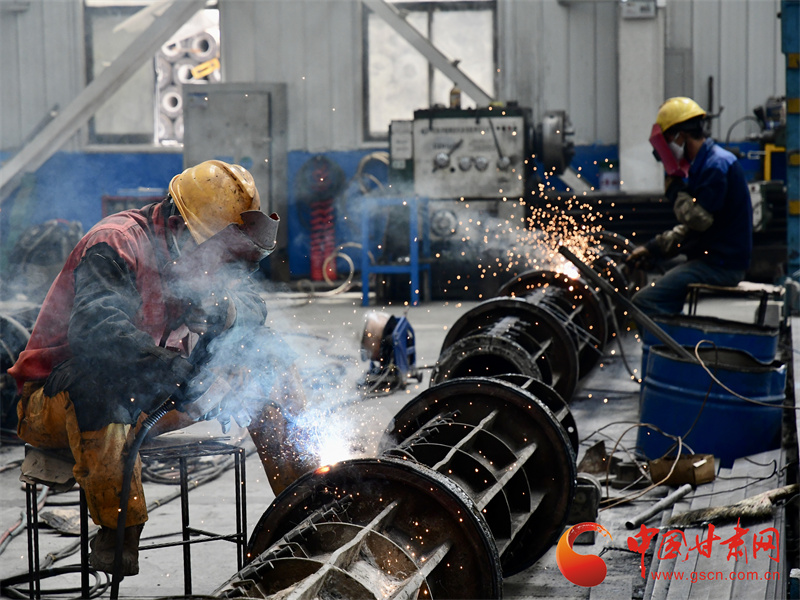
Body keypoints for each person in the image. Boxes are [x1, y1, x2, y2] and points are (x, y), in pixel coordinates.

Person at [9, 160, 314, 576]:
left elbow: (254, 307)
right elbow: (97, 332)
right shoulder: (115, 243)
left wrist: (224, 310)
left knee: (268, 359)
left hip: (153, 396)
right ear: (178, 228)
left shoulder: (210, 252)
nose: (219, 266)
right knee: (102, 387)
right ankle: (120, 533)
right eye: (216, 254)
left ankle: (307, 507)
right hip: (58, 402)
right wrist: (174, 369)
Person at [628, 97, 753, 316]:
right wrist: (653, 249)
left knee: (643, 302)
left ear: (680, 136)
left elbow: (699, 220)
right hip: (715, 261)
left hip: (721, 267)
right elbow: (691, 230)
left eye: (668, 139)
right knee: (665, 293)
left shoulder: (715, 166)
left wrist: (676, 192)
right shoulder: (705, 164)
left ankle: (669, 340)